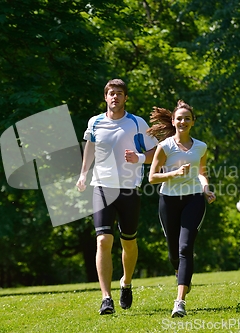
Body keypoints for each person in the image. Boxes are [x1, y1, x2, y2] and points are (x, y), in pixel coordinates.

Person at [76, 79, 157, 315]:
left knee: (128, 242)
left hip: (129, 189)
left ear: (125, 98)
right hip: (102, 186)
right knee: (103, 240)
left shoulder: (136, 123)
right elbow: (89, 146)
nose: (115, 97)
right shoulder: (95, 122)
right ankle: (105, 298)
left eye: (119, 94)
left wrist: (139, 158)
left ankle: (126, 282)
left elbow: (155, 153)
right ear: (105, 97)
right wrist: (83, 174)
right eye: (111, 94)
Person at [147, 100, 216, 318]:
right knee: (173, 252)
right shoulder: (165, 146)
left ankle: (179, 301)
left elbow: (201, 172)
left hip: (193, 199)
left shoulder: (201, 147)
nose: (183, 121)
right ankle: (181, 274)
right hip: (168, 200)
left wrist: (206, 189)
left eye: (187, 118)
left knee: (185, 247)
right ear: (173, 121)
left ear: (193, 122)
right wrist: (174, 174)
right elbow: (152, 177)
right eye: (179, 118)